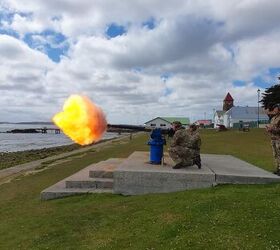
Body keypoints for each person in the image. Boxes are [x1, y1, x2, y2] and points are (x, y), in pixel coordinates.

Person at [265, 103, 280, 175]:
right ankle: (277, 169)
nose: (274, 110)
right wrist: (268, 129)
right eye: (274, 109)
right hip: (273, 139)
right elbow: (271, 126)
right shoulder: (273, 118)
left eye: (276, 109)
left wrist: (272, 129)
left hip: (278, 139)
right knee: (275, 154)